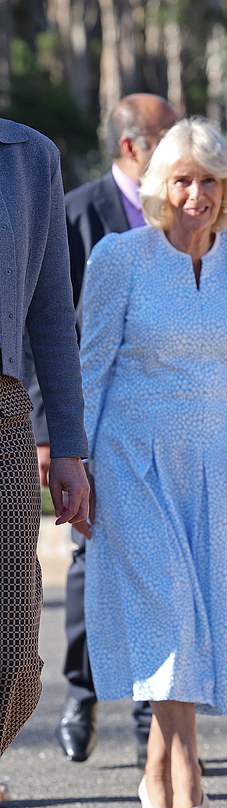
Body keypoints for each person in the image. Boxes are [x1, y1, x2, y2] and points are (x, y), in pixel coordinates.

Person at [76, 117, 227, 808]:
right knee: (173, 609)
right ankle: (188, 770)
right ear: (161, 187)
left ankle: (156, 763)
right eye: (183, 179)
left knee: (195, 612)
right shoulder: (119, 257)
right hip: (131, 461)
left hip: (220, 465)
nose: (196, 194)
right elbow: (89, 366)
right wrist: (73, 462)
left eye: (209, 180)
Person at [24, 94, 178, 765]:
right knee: (91, 561)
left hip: (166, 421)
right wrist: (49, 430)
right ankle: (82, 691)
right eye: (166, 136)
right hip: (90, 420)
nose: (180, 148)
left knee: (162, 568)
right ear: (130, 147)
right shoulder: (75, 212)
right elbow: (42, 321)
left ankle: (152, 720)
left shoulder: (182, 210)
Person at [0, 119, 89, 761]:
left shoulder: (29, 158)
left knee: (10, 642)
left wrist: (67, 444)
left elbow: (52, 314)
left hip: (4, 418)